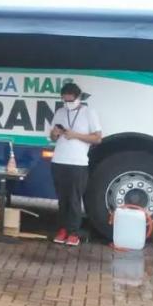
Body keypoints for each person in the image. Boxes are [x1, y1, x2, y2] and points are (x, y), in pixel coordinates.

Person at [49, 82, 102, 247]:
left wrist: (76, 135)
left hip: (77, 163)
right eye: (65, 100)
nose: (68, 103)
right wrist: (55, 134)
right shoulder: (60, 112)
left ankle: (73, 233)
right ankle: (62, 230)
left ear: (78, 98)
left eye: (71, 100)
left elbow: (98, 138)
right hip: (59, 160)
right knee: (62, 199)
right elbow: (51, 137)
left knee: (73, 199)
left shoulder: (89, 113)